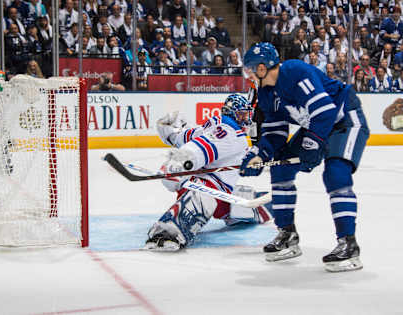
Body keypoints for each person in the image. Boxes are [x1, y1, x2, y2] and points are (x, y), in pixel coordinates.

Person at [241, 42, 369, 272]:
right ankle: (287, 233)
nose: (249, 76)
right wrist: (260, 154)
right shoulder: (266, 93)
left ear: (261, 68)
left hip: (344, 120)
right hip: (316, 126)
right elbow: (274, 131)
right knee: (280, 169)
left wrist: (312, 144)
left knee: (336, 172)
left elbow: (325, 111)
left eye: (250, 70)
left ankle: (348, 243)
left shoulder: (294, 71)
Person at [144, 94, 274, 251]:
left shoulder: (213, 127)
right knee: (203, 195)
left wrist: (171, 131)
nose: (246, 119)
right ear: (231, 113)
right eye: (242, 114)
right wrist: (178, 163)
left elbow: (185, 137)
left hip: (221, 193)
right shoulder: (229, 130)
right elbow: (201, 148)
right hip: (205, 188)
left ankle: (252, 209)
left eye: (247, 115)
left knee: (242, 204)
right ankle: (169, 232)